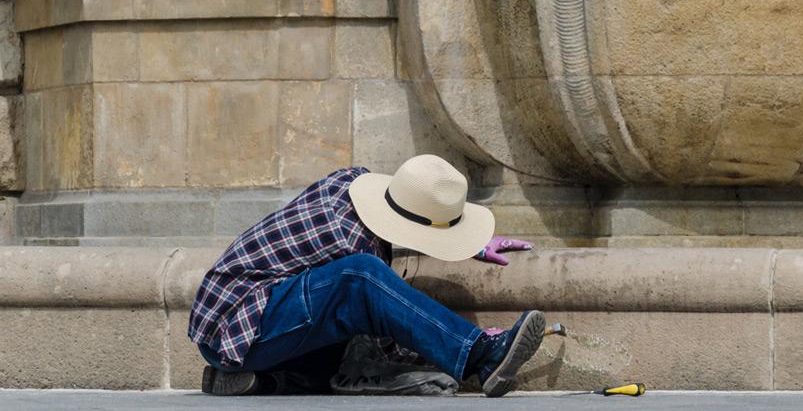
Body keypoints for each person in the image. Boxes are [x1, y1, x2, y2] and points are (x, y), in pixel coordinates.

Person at [188, 154, 543, 398]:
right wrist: (454, 342)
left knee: (346, 340)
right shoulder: (349, 242)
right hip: (237, 328)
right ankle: (484, 356)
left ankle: (264, 382)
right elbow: (385, 327)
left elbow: (399, 223)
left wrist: (472, 245)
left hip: (251, 326)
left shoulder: (351, 179)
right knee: (361, 278)